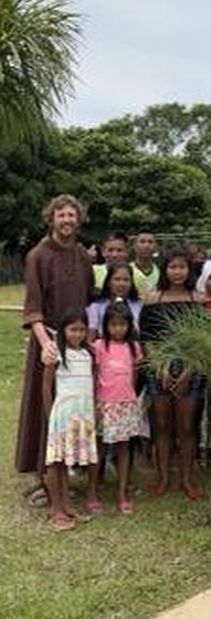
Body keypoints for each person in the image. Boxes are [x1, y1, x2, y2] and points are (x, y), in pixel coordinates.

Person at [16, 197, 96, 507]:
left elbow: (89, 300)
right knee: (44, 404)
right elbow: (32, 307)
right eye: (61, 215)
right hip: (48, 340)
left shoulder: (82, 256)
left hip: (76, 343)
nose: (66, 220)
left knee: (73, 407)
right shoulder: (37, 255)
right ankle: (41, 476)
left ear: (78, 219)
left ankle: (68, 469)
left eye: (72, 215)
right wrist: (46, 343)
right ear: (52, 219)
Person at [140, 248, 205, 501]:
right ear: (164, 270)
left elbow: (204, 340)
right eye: (172, 267)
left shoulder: (197, 300)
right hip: (159, 370)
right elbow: (145, 338)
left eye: (182, 267)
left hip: (192, 368)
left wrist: (189, 368)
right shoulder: (152, 300)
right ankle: (163, 478)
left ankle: (187, 479)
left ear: (189, 270)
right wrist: (159, 366)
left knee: (187, 427)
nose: (177, 272)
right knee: (163, 426)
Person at [40, 308, 96, 531]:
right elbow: (46, 386)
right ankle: (56, 511)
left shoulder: (87, 354)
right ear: (63, 330)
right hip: (62, 414)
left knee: (67, 460)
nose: (78, 334)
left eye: (82, 329)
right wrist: (49, 414)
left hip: (83, 414)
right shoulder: (56, 354)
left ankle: (66, 506)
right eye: (73, 329)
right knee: (56, 462)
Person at [88, 303, 146, 515]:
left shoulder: (134, 348)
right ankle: (92, 491)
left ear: (129, 325)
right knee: (100, 449)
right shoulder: (99, 346)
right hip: (104, 405)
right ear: (106, 325)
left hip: (125, 406)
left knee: (124, 449)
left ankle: (122, 492)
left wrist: (130, 400)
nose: (118, 329)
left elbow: (135, 378)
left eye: (122, 324)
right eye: (113, 324)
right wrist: (94, 403)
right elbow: (94, 377)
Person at [88, 263, 142, 337]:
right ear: (108, 282)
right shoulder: (96, 307)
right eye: (117, 279)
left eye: (126, 280)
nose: (121, 284)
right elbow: (91, 335)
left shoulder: (139, 306)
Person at [129, 230, 161, 296]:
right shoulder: (126, 270)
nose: (146, 245)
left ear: (156, 246)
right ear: (134, 246)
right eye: (142, 242)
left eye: (150, 242)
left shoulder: (161, 271)